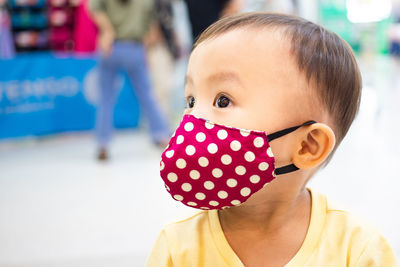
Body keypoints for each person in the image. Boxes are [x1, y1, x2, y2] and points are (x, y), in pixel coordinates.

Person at [147, 13, 397, 266]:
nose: (193, 119)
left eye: (223, 100)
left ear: (308, 146)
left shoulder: (356, 249)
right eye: (191, 100)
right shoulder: (178, 248)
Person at [89, 0, 170, 160]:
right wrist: (144, 49)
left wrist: (107, 30)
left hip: (110, 46)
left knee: (106, 98)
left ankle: (103, 143)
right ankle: (161, 135)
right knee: (146, 95)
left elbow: (93, 8)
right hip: (134, 47)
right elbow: (151, 28)